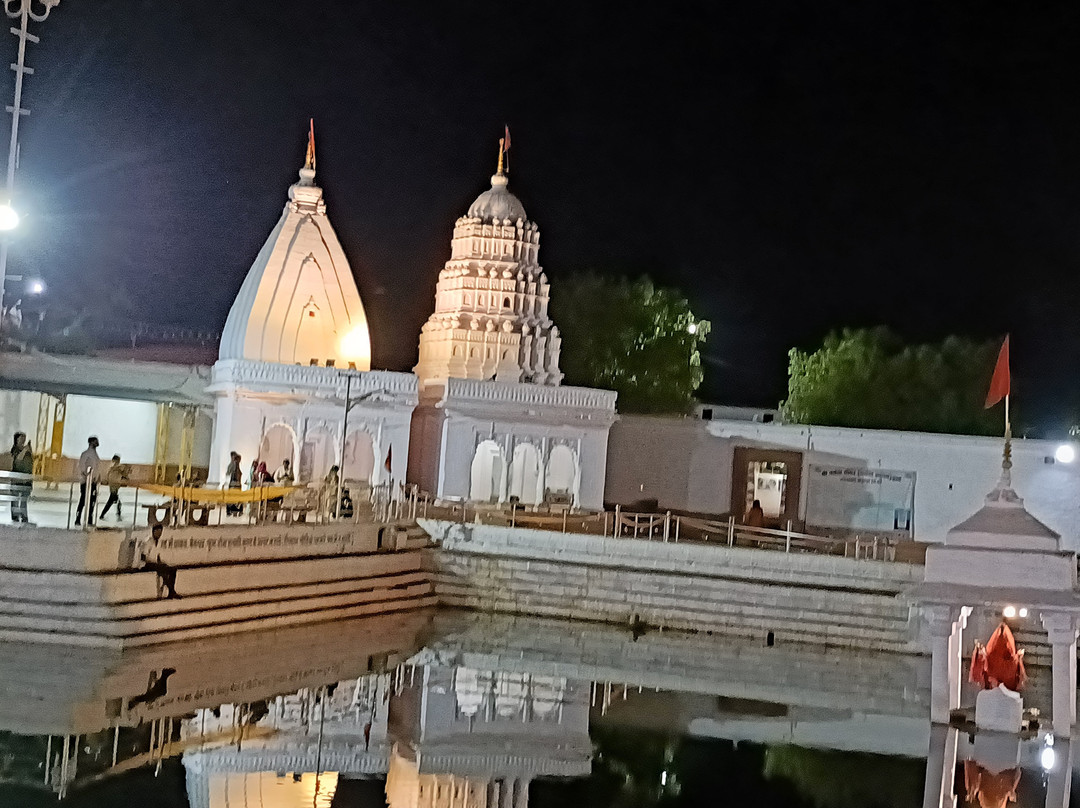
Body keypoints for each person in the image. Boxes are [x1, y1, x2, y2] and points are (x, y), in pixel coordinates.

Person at [74, 436, 101, 526]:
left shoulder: (95, 455)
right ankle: (78, 519)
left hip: (93, 482)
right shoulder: (86, 454)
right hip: (86, 482)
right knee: (83, 500)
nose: (97, 443)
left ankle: (90, 519)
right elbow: (82, 466)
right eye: (95, 441)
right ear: (91, 442)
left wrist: (97, 479)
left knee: (92, 501)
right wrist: (86, 475)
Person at [9, 431, 33, 523]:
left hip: (26, 479)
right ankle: (15, 515)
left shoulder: (26, 450)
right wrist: (25, 450)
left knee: (24, 499)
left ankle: (24, 515)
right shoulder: (15, 449)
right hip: (17, 478)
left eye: (24, 437)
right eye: (21, 438)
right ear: (17, 439)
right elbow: (18, 459)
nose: (23, 439)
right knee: (15, 498)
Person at [99, 455, 130, 520]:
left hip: (113, 486)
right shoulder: (118, 468)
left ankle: (117, 513)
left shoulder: (111, 468)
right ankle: (103, 515)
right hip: (114, 486)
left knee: (115, 500)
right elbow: (123, 473)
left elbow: (109, 476)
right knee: (111, 501)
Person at [225, 451, 243, 516]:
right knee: (232, 499)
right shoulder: (231, 465)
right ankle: (230, 511)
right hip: (233, 484)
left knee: (236, 499)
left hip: (237, 484)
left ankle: (235, 511)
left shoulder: (235, 465)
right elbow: (228, 474)